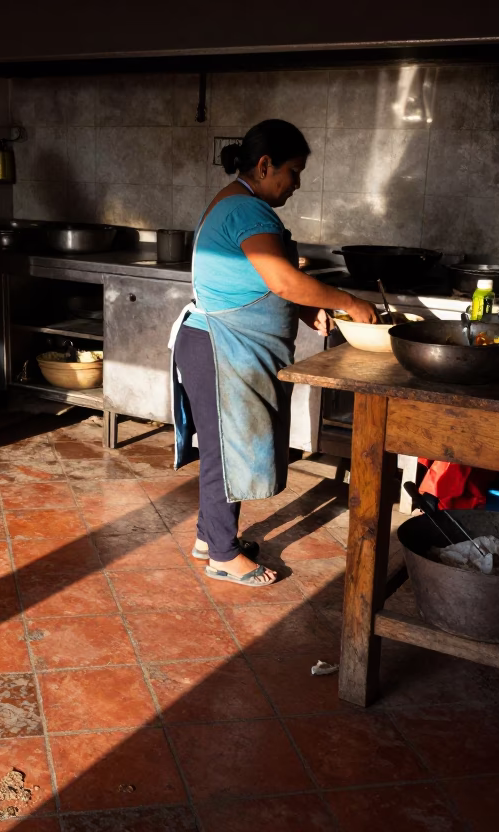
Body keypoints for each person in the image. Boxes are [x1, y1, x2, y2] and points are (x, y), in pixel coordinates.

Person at [169, 119, 377, 587]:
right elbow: (283, 280)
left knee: (225, 449)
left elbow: (258, 279)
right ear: (265, 165)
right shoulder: (248, 210)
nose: (296, 183)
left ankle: (208, 539)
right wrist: (347, 302)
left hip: (220, 345)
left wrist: (303, 308)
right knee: (226, 453)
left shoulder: (234, 201)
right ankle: (223, 555)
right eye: (293, 172)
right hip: (222, 347)